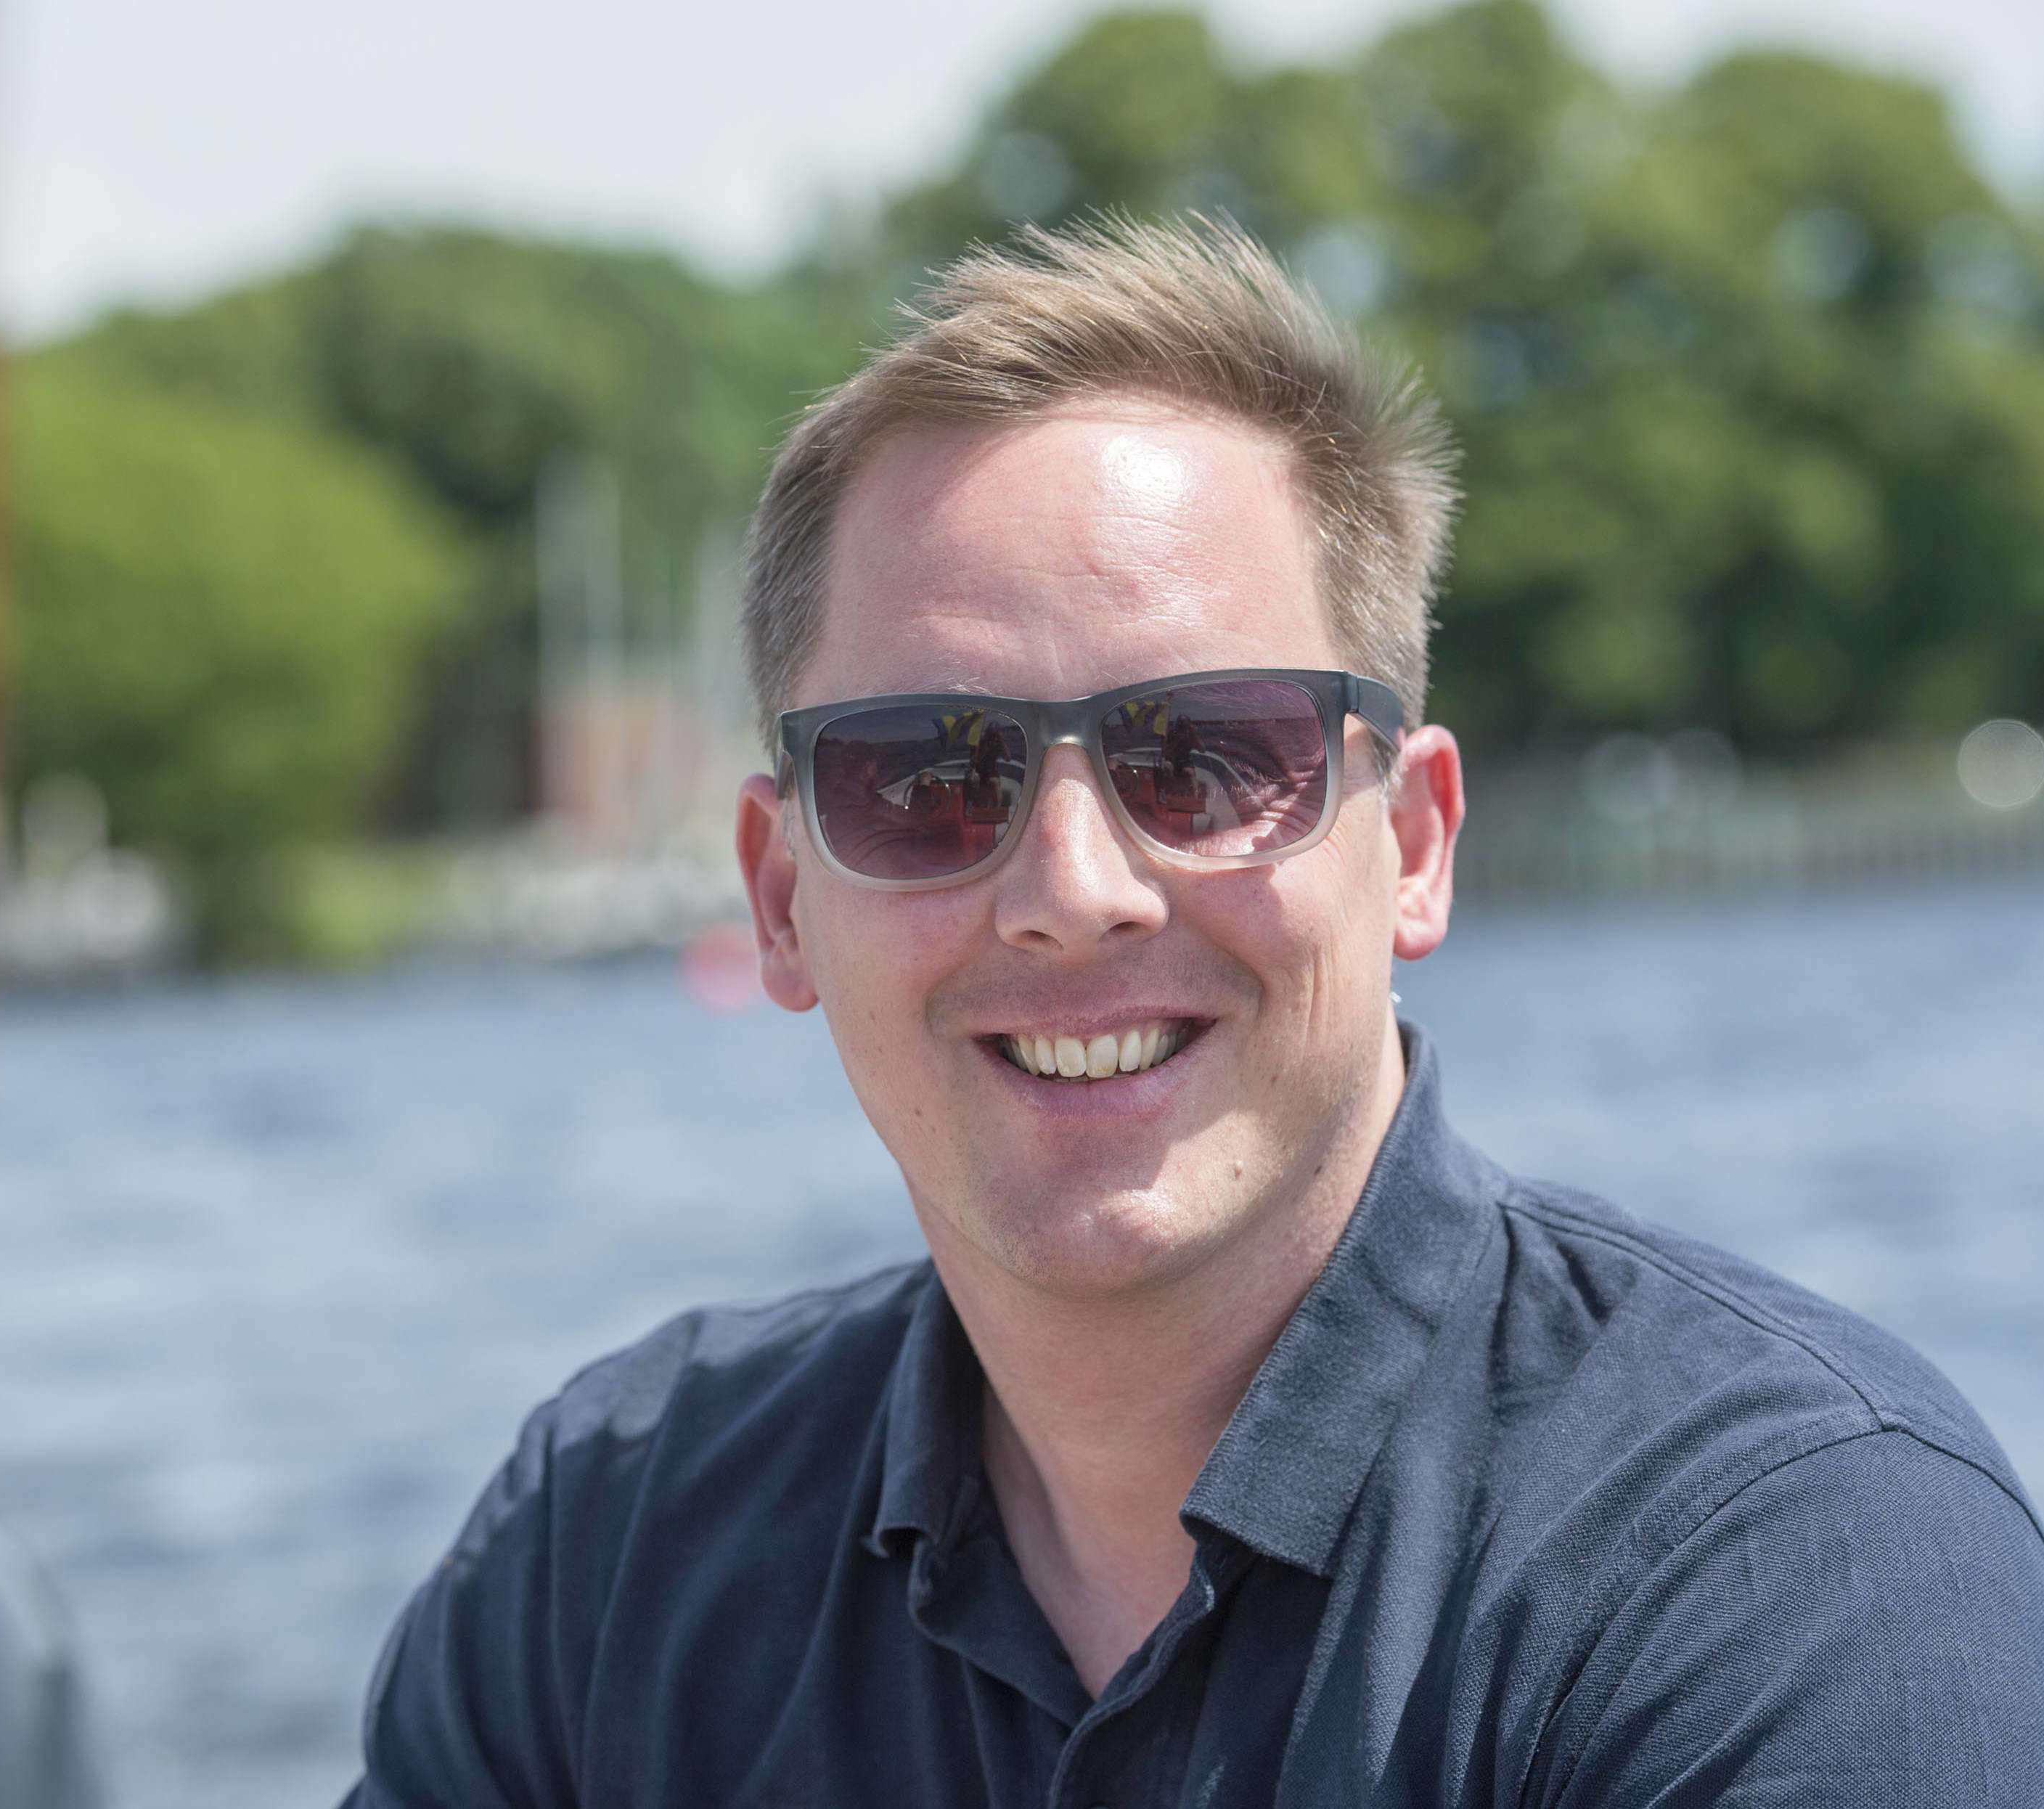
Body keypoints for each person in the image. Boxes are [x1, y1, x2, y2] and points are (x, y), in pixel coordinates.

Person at [340, 216, 2044, 1807]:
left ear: (1416, 844)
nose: (1073, 884)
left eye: (1210, 758)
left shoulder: (1801, 1579)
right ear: (782, 899)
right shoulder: (601, 1566)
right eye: (927, 780)